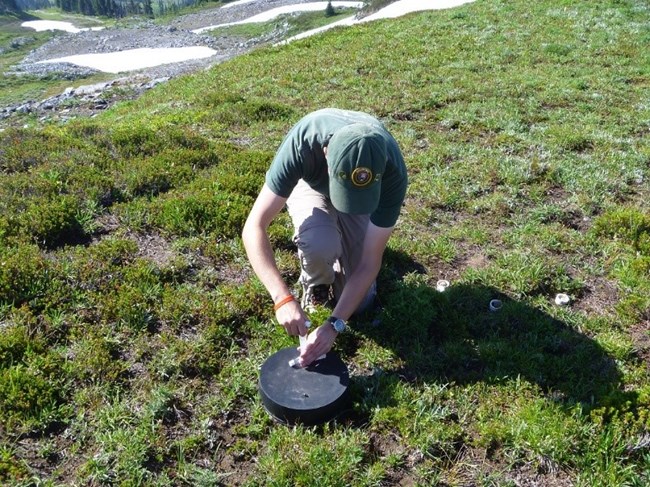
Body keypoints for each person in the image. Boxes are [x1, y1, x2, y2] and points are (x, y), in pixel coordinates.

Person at [242, 108, 408, 367]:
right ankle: (317, 284)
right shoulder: (303, 142)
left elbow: (369, 261)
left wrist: (335, 324)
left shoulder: (392, 171)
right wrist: (282, 298)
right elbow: (254, 226)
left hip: (365, 199)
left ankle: (340, 244)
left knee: (360, 304)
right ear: (326, 154)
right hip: (310, 185)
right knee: (320, 243)